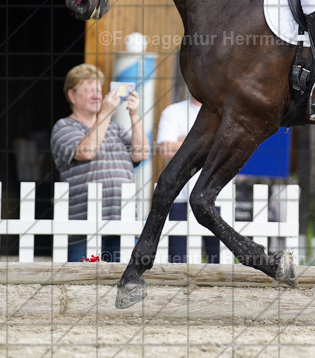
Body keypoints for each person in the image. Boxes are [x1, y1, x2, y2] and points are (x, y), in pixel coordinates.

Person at [50, 64, 150, 262]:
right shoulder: (64, 126)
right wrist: (105, 114)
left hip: (124, 222)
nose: (96, 96)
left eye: (98, 90)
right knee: (82, 286)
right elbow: (86, 152)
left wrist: (134, 115)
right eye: (89, 91)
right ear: (72, 96)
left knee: (121, 283)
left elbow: (141, 154)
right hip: (83, 227)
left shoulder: (116, 129)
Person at [156, 94, 220, 263]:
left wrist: (185, 142)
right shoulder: (172, 111)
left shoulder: (225, 111)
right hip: (180, 198)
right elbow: (165, 150)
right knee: (178, 261)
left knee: (220, 262)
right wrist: (210, 143)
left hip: (219, 198)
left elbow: (230, 148)